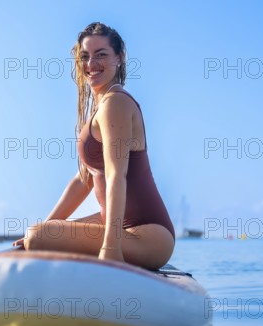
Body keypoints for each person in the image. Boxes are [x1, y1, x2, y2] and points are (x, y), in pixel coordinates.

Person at [13, 22, 175, 270]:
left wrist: (111, 248)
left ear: (119, 58)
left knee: (39, 236)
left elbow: (115, 176)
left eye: (101, 55)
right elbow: (83, 179)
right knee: (40, 234)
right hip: (116, 224)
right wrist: (48, 225)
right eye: (85, 57)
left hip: (148, 235)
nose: (91, 64)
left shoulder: (116, 103)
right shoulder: (98, 109)